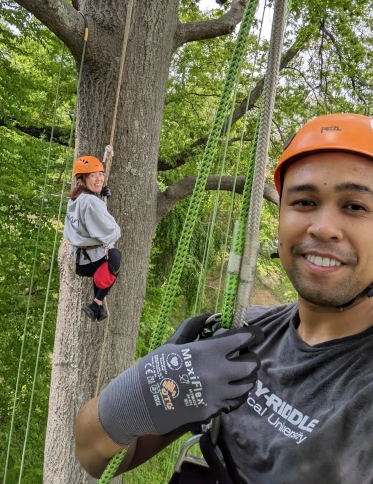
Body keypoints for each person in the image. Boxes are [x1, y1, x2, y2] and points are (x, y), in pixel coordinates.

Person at [74, 113, 373, 482]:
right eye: (305, 202)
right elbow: (92, 455)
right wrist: (140, 395)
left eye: (355, 206)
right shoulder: (237, 337)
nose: (324, 227)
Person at [63, 155, 121, 323]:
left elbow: (88, 221)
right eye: (93, 175)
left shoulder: (75, 198)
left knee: (108, 257)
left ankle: (98, 307)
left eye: (100, 174)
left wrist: (101, 198)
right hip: (91, 260)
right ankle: (96, 304)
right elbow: (111, 232)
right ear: (82, 179)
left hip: (81, 259)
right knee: (114, 258)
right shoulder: (90, 202)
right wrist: (116, 229)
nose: (99, 179)